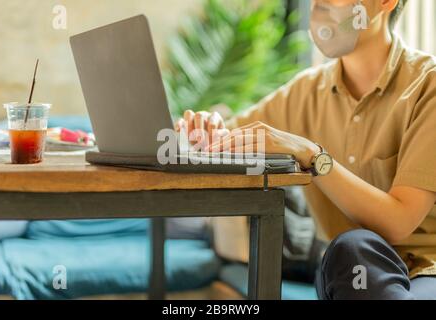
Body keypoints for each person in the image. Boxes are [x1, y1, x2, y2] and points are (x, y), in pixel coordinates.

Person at [175, 0, 436, 300]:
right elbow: (224, 138)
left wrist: (313, 156)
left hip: (425, 272)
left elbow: (397, 222)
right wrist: (205, 127)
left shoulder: (427, 87)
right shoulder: (305, 92)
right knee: (352, 248)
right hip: (349, 270)